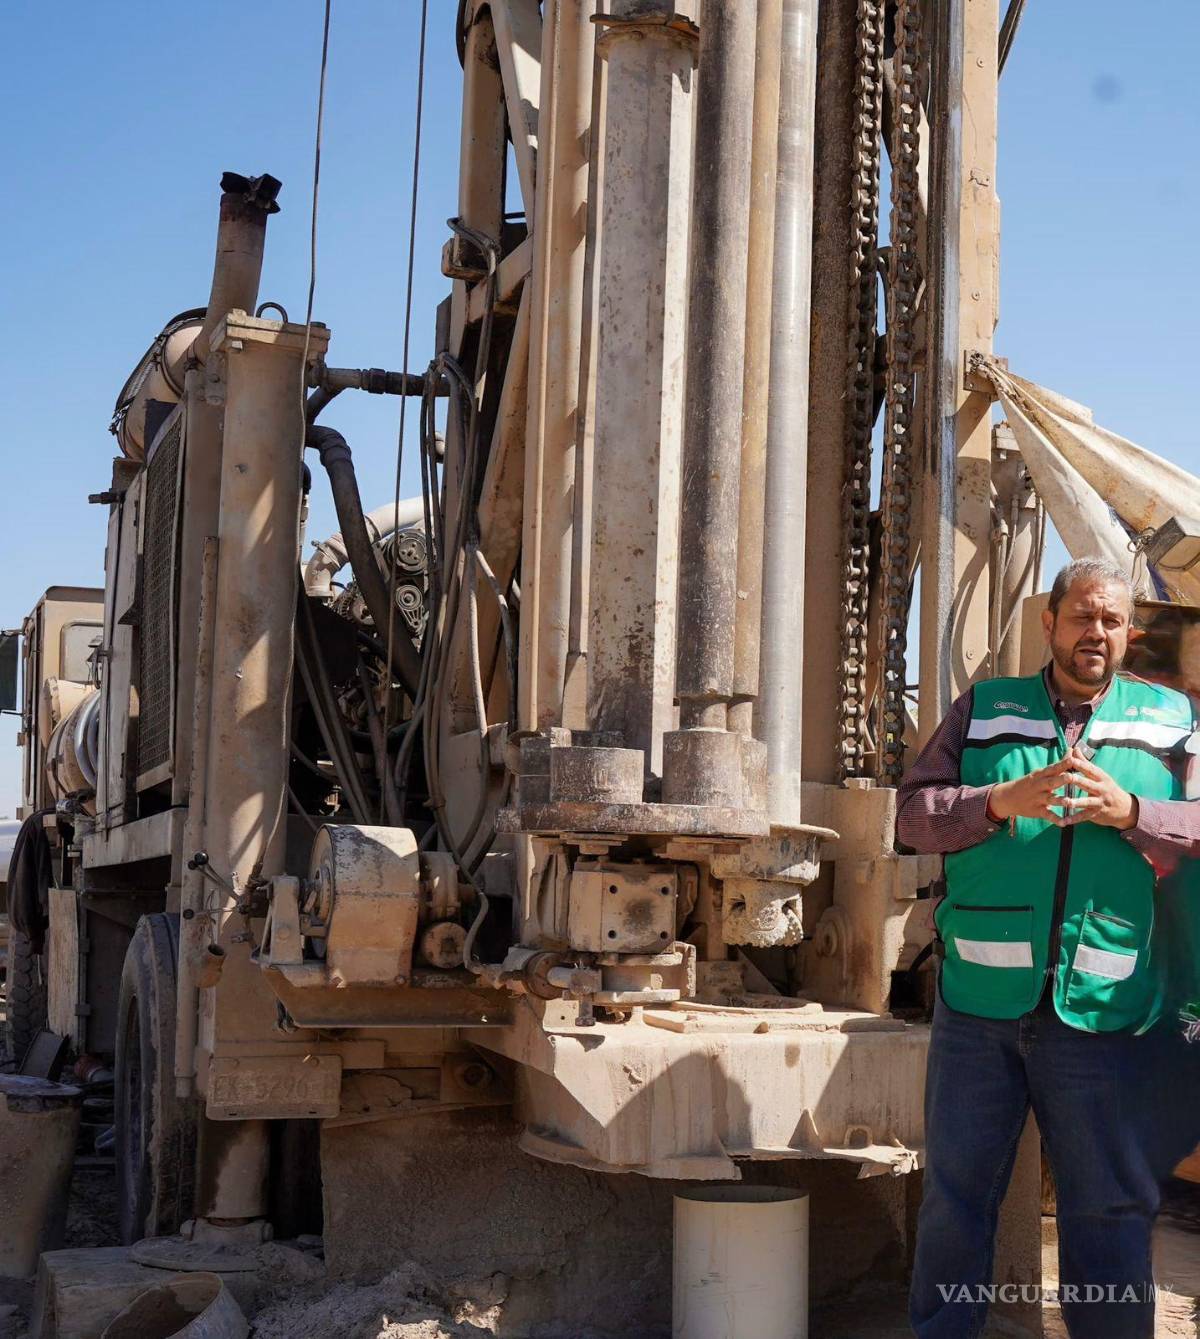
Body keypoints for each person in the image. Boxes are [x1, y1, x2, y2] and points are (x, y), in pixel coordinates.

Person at [901, 557, 1200, 1339]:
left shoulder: (1172, 720)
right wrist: (997, 801)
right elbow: (912, 816)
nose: (1095, 631)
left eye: (1111, 619)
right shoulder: (986, 709)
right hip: (978, 1008)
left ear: (1128, 630)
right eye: (1081, 615)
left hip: (1106, 1010)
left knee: (1107, 1208)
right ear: (1050, 620)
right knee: (955, 1199)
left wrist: (1132, 808)